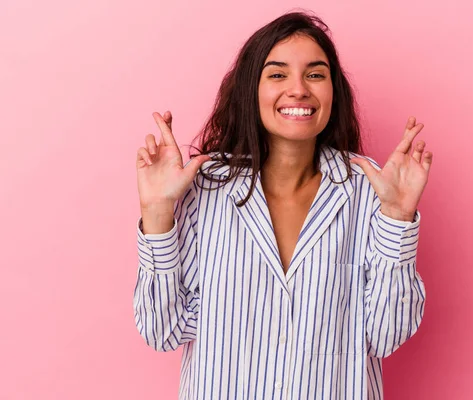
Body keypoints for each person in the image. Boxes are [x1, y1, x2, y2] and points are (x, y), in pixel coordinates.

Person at [134, 10, 433, 400]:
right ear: (250, 89)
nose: (298, 89)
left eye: (315, 74)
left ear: (333, 91)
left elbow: (385, 336)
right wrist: (157, 213)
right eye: (277, 74)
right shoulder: (203, 189)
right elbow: (163, 331)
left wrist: (397, 218)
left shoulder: (370, 190)